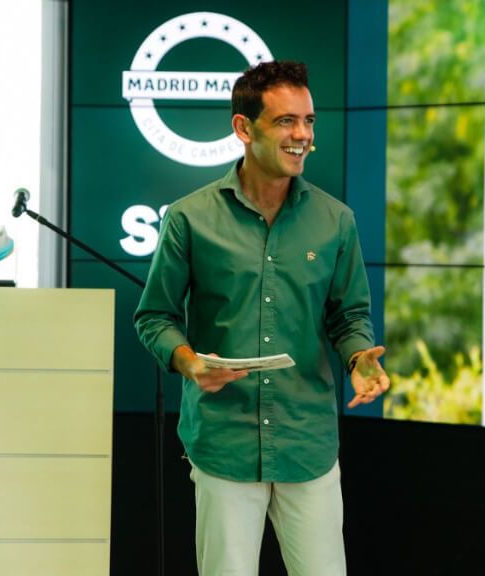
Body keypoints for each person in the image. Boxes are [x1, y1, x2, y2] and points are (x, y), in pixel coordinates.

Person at [134, 60, 389, 576]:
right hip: (223, 442)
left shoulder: (336, 220)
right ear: (243, 128)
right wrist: (189, 363)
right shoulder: (190, 217)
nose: (302, 135)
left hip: (306, 442)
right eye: (285, 121)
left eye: (309, 121)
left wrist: (360, 357)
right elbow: (155, 317)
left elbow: (348, 316)